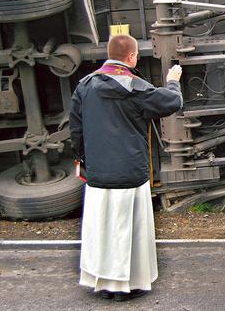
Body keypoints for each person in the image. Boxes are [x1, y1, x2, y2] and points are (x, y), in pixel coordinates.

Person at [70, 35, 183, 301]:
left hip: (98, 176)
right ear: (132, 57)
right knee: (130, 232)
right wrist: (173, 81)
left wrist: (86, 160)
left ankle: (105, 285)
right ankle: (128, 286)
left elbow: (76, 131)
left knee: (103, 231)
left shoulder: (84, 86)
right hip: (131, 174)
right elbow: (172, 102)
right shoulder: (135, 86)